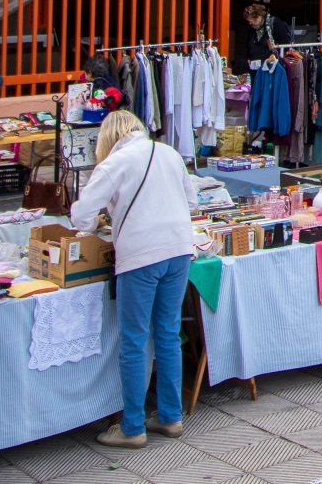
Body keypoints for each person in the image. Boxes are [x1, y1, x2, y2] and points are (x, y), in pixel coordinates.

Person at [70, 110, 199, 447]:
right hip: (179, 248)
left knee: (134, 340)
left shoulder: (115, 163)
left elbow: (81, 216)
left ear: (108, 137)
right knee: (168, 334)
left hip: (141, 254)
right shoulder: (168, 152)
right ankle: (171, 416)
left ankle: (132, 426)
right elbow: (191, 201)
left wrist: (104, 218)